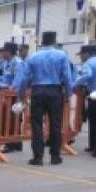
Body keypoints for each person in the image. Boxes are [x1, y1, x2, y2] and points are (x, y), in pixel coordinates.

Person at [17, 30, 74, 166]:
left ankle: (38, 157)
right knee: (55, 124)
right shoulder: (61, 55)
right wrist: (68, 93)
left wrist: (22, 95)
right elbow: (67, 76)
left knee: (36, 124)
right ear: (54, 41)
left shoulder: (33, 57)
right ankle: (55, 156)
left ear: (42, 42)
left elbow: (24, 79)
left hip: (37, 91)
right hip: (55, 91)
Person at [74, 44, 96, 153]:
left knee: (94, 122)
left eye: (81, 55)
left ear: (86, 54)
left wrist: (73, 85)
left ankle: (93, 146)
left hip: (95, 95)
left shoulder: (88, 63)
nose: (80, 58)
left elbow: (87, 75)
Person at [0, 42, 26, 153]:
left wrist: (9, 90)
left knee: (13, 119)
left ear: (8, 52)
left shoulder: (18, 63)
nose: (2, 54)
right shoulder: (6, 63)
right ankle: (14, 143)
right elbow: (5, 78)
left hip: (16, 95)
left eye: (3, 51)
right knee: (9, 118)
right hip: (7, 95)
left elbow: (18, 81)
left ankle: (12, 143)